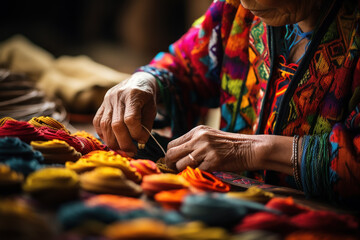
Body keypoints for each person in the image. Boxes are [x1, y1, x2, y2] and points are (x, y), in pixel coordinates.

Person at [93, 0, 360, 206]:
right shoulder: (236, 9)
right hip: (227, 206)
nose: (243, 3)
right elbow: (186, 64)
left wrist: (256, 150)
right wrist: (145, 81)